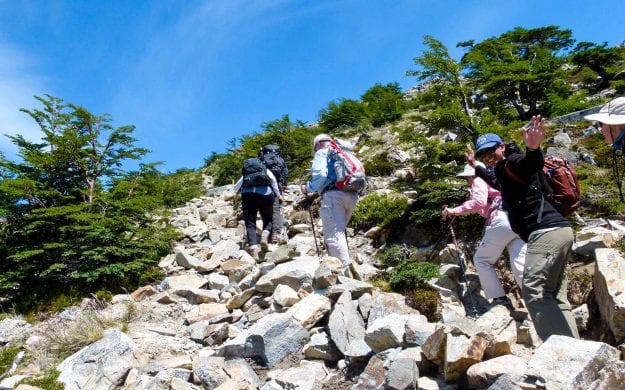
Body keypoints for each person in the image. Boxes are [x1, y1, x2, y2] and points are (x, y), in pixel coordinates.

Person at [466, 118, 580, 341]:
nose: (487, 156)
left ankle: (556, 351)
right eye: (483, 154)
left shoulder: (513, 161)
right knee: (554, 294)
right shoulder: (502, 171)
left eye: (491, 150)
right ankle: (573, 348)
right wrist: (475, 166)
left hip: (546, 232)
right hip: (557, 231)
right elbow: (495, 181)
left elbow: (530, 164)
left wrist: (533, 148)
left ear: (502, 146)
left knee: (534, 291)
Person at [442, 162, 526, 307]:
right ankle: (536, 299)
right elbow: (485, 207)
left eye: (467, 178)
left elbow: (479, 203)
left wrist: (454, 210)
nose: (468, 181)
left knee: (481, 260)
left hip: (502, 220)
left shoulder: (479, 180)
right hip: (520, 221)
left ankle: (499, 299)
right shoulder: (497, 180)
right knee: (519, 263)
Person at [300, 134, 359, 269]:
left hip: (333, 195)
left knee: (334, 235)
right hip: (353, 193)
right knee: (340, 232)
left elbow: (321, 175)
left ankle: (343, 271)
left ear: (317, 145)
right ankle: (346, 265)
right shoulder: (343, 151)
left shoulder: (322, 152)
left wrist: (308, 188)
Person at [233, 157, 283, 259]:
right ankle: (265, 235)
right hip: (265, 194)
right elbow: (273, 181)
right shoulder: (265, 170)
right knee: (268, 218)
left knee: (250, 222)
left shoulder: (246, 174)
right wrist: (278, 195)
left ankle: (254, 248)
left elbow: (235, 188)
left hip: (248, 195)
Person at [259, 144, 289, 243]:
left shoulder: (261, 159)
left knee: (265, 211)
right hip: (277, 188)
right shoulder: (280, 160)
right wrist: (283, 187)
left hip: (263, 189)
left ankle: (266, 234)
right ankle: (276, 234)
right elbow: (285, 174)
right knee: (276, 210)